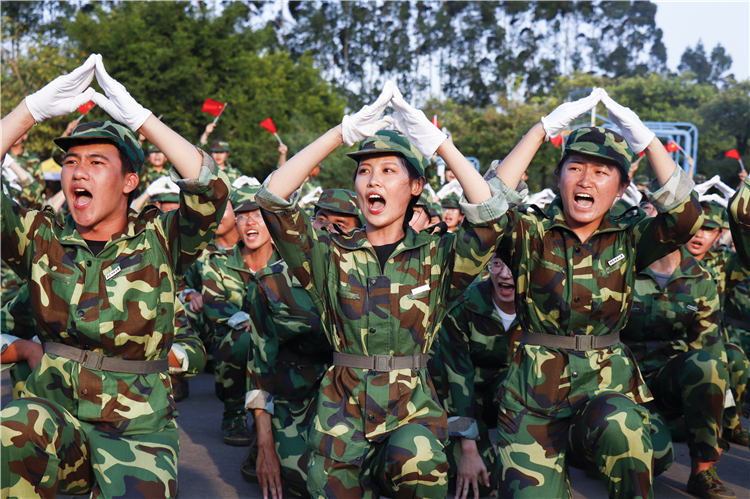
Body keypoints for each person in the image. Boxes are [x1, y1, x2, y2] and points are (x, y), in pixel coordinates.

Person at [255, 82, 506, 498]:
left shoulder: (436, 255)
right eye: (364, 171)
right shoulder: (330, 253)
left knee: (420, 462)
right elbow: (273, 197)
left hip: (412, 412)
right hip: (341, 413)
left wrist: (440, 145)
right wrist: (340, 134)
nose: (373, 179)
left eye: (389, 170)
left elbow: (490, 217)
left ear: (415, 186)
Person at [0, 54, 230, 498]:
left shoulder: (161, 240)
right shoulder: (41, 237)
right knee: (12, 427)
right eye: (71, 161)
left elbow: (210, 188)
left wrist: (143, 120)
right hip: (54, 417)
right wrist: (29, 111)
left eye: (96, 162)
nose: (78, 171)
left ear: (129, 182)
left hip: (136, 429)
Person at [491, 88, 702, 499]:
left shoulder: (629, 236)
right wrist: (539, 131)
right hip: (533, 395)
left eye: (602, 172)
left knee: (624, 429)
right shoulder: (530, 231)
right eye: (574, 168)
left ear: (622, 188)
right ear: (559, 178)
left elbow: (686, 217)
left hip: (607, 390)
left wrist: (647, 141)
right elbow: (489, 207)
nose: (585, 180)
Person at [620, 238, 733, 498]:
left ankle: (703, 472)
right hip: (620, 379)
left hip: (666, 379)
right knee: (654, 457)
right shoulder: (623, 264)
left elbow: (710, 347)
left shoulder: (701, 277)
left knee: (706, 364)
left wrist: (720, 417)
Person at [242, 246, 333, 499]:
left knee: (335, 480)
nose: (328, 230)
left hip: (337, 390)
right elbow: (259, 366)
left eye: (340, 225)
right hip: (289, 390)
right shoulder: (270, 281)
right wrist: (265, 444)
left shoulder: (356, 274)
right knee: (303, 480)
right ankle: (263, 435)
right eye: (321, 222)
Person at [429, 254, 521, 499]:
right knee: (478, 483)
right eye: (497, 263)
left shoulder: (539, 305)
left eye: (513, 264)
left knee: (522, 385)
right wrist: (468, 448)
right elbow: (454, 377)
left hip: (501, 394)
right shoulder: (464, 304)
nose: (505, 274)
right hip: (453, 399)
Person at [203, 184, 278, 446]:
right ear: (235, 223)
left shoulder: (286, 264)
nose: (250, 222)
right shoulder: (219, 262)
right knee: (243, 339)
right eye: (242, 216)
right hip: (234, 346)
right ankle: (234, 414)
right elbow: (213, 304)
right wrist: (246, 320)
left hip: (278, 341)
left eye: (258, 215)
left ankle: (278, 412)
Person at [684, 200, 750, 447]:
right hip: (671, 342)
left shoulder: (725, 263)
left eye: (708, 229)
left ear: (719, 233)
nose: (699, 234)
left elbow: (747, 255)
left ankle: (731, 422)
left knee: (735, 359)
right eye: (696, 226)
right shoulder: (667, 256)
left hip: (709, 340)